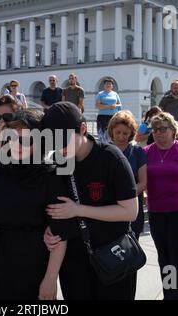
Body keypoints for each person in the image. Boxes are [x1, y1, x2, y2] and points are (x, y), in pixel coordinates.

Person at [0, 109, 68, 300]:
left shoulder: (50, 174)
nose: (18, 144)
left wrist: (51, 279)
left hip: (32, 262)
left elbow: (60, 233)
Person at [42, 102, 139, 300]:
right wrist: (50, 229)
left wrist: (78, 210)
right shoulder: (60, 160)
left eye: (63, 139)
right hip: (75, 262)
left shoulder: (111, 157)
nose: (57, 146)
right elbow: (60, 208)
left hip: (114, 256)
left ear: (83, 129)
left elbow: (130, 211)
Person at [144, 112, 178, 300]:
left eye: (163, 129)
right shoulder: (146, 152)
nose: (158, 133)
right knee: (164, 257)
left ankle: (176, 296)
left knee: (176, 257)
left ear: (173, 130)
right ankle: (170, 294)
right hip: (156, 212)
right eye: (155, 129)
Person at [106, 111, 147, 298]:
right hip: (108, 210)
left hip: (132, 210)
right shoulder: (103, 151)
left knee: (130, 252)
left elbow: (143, 182)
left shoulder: (137, 152)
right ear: (112, 131)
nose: (121, 137)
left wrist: (124, 199)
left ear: (131, 133)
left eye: (125, 133)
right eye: (118, 132)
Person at [95, 77, 122, 143]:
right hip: (102, 117)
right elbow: (97, 106)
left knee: (112, 135)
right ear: (104, 85)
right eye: (107, 84)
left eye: (110, 84)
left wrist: (115, 106)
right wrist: (109, 107)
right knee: (102, 137)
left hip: (113, 117)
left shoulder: (115, 94)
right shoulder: (100, 94)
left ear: (112, 86)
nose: (108, 85)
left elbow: (120, 104)